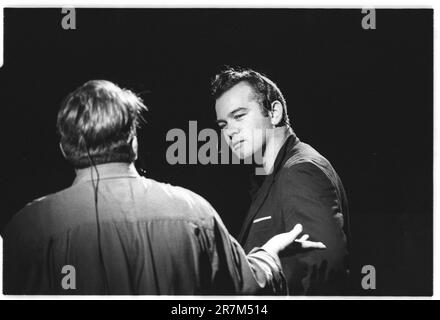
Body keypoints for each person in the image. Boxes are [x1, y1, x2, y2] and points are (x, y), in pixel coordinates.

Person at [2, 80, 324, 295]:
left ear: (65, 148)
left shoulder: (26, 230)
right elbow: (246, 292)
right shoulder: (194, 213)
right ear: (133, 141)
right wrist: (270, 253)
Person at [212, 67, 350, 295]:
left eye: (239, 116)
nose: (230, 131)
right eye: (223, 125)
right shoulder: (273, 178)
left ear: (274, 113)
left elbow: (322, 272)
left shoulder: (301, 170)